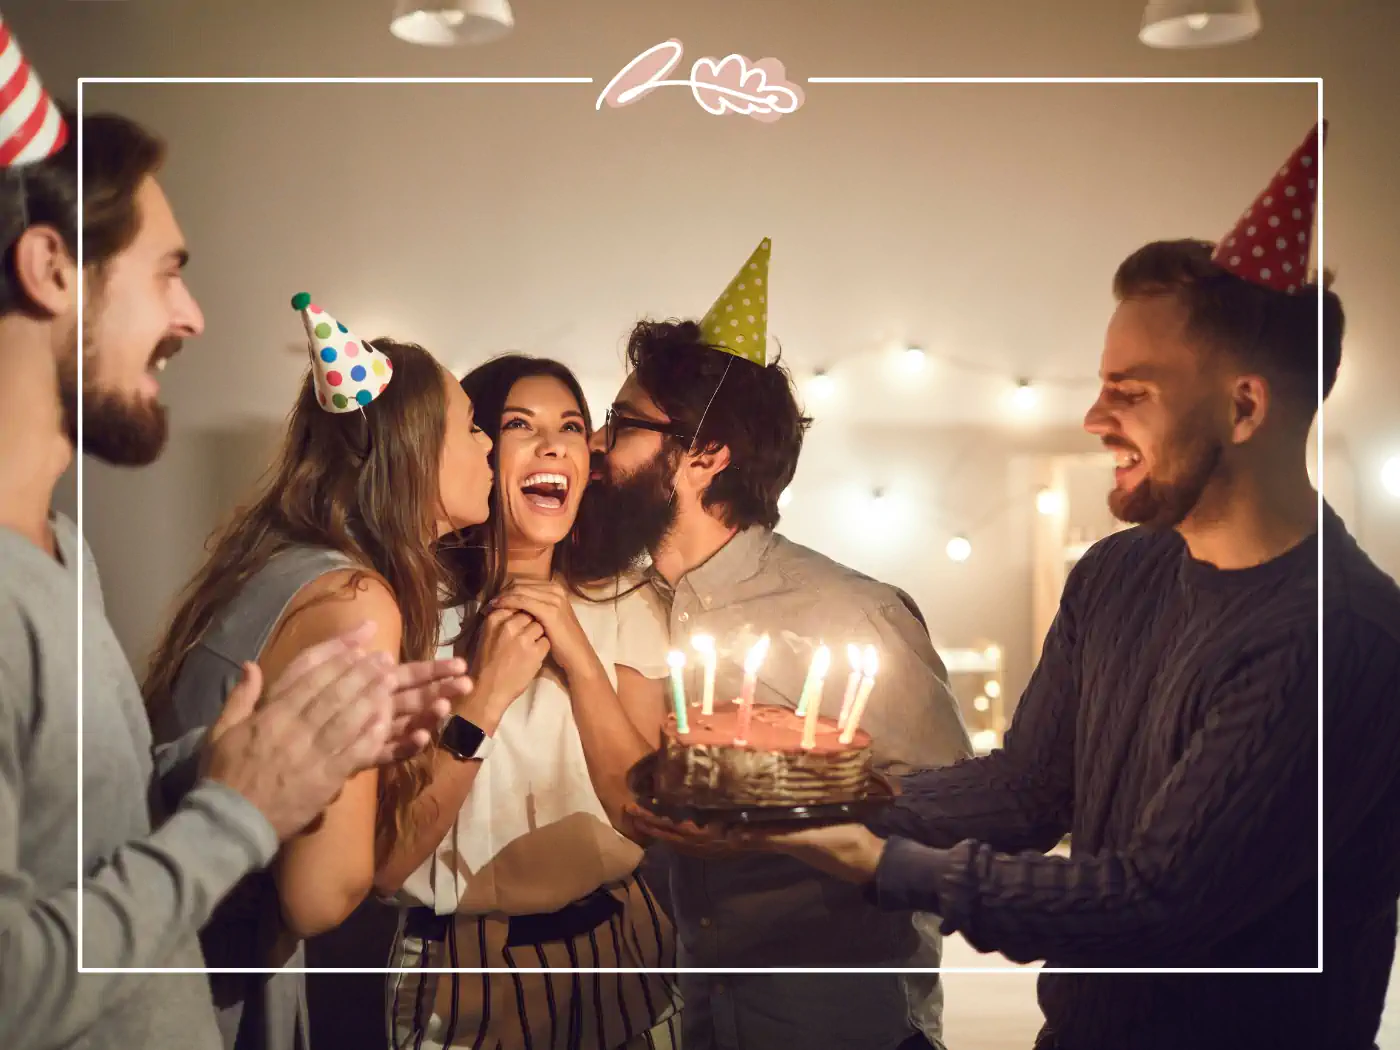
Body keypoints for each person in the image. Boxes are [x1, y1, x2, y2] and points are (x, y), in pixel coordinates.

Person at [730, 124, 1400, 1050]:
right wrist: (822, 796)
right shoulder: (1119, 574)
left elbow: (1155, 903)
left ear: (1245, 407)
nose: (1093, 418)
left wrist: (888, 863)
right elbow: (1032, 787)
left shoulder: (1340, 639)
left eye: (1131, 390)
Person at [0, 95, 463, 1050]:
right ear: (52, 270)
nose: (192, 317)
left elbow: (93, 828)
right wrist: (238, 815)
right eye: (166, 273)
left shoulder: (57, 549)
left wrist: (277, 750)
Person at [590, 239, 972, 1050]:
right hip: (694, 1018)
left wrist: (787, 822)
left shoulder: (853, 616)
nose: (595, 442)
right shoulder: (623, 610)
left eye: (621, 423)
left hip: (840, 1024)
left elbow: (954, 820)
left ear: (704, 456)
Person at [142, 296, 495, 1050]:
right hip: (204, 992)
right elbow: (319, 894)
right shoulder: (357, 602)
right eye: (470, 423)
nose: (488, 441)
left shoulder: (283, 561)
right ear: (416, 447)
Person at [376, 355, 682, 1050]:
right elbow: (385, 862)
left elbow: (646, 817)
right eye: (521, 424)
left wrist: (576, 654)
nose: (553, 445)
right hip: (460, 971)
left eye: (571, 427)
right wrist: (484, 694)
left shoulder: (628, 600)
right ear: (479, 449)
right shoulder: (404, 614)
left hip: (623, 947)